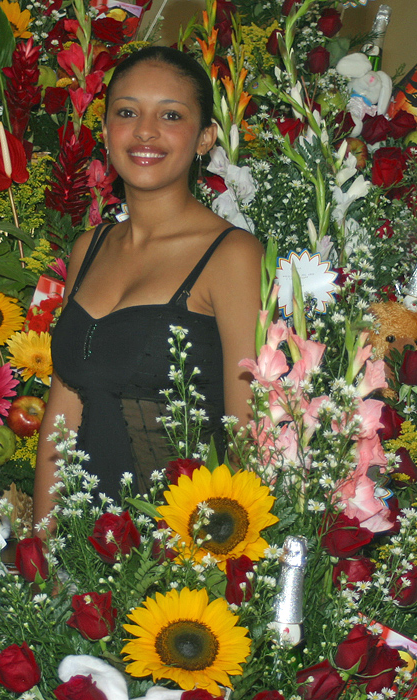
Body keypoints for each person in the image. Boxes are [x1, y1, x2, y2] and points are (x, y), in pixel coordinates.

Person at [33, 46, 263, 533]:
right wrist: (43, 551)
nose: (144, 131)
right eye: (127, 112)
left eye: (171, 115)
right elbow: (63, 411)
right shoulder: (88, 248)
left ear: (205, 138)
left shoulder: (232, 255)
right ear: (106, 130)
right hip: (82, 545)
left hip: (175, 556)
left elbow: (249, 437)